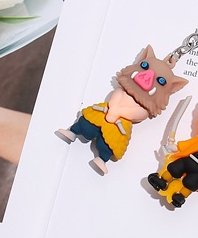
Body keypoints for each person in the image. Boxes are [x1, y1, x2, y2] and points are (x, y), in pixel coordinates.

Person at [57, 45, 186, 174]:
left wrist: (119, 112)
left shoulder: (144, 107)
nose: (147, 77)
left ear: (172, 88)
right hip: (105, 111)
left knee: (109, 143)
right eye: (145, 66)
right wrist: (113, 106)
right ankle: (73, 132)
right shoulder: (123, 90)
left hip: (120, 124)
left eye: (161, 81)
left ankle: (102, 159)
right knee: (87, 124)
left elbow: (140, 114)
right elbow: (117, 93)